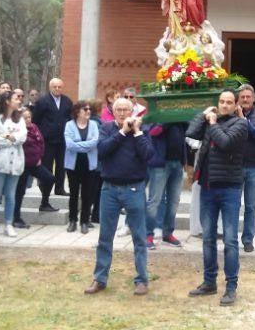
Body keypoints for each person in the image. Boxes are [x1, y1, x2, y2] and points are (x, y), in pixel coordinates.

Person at [184, 90, 248, 305]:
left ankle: (231, 287)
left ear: (235, 105)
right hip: (208, 187)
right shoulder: (212, 120)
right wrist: (203, 114)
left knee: (230, 240)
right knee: (208, 237)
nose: (224, 106)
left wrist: (212, 123)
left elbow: (225, 143)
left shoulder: (241, 124)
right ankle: (209, 282)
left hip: (229, 188)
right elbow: (191, 133)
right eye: (221, 102)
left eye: (229, 102)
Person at [85, 98, 154, 296]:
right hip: (110, 189)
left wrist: (137, 132)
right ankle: (100, 279)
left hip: (134, 188)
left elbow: (148, 154)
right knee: (105, 237)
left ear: (133, 111)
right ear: (113, 112)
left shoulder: (142, 130)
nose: (122, 113)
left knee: (139, 237)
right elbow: (102, 150)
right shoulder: (106, 128)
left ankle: (141, 280)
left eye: (126, 109)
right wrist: (123, 132)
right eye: (118, 110)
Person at [0, 91, 27, 238]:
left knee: (11, 195)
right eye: (16, 98)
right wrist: (11, 139)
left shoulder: (20, 120)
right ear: (7, 101)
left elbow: (22, 137)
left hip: (15, 162)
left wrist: (10, 137)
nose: (19, 101)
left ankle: (8, 224)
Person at [144, 121, 186, 248]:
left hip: (177, 163)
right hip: (160, 165)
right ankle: (148, 235)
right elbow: (152, 132)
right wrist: (167, 120)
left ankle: (168, 233)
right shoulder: (157, 113)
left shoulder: (181, 117)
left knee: (174, 201)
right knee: (154, 201)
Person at [236, 84, 255, 253]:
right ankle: (231, 238)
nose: (245, 99)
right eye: (242, 97)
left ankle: (248, 239)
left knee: (251, 206)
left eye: (248, 97)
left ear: (254, 98)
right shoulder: (230, 114)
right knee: (233, 205)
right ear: (238, 99)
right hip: (235, 166)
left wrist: (243, 120)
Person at [32, 78, 73, 207]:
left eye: (59, 87)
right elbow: (36, 120)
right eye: (55, 87)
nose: (57, 89)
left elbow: (70, 118)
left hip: (62, 139)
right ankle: (45, 190)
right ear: (50, 87)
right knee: (47, 164)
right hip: (47, 140)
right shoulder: (42, 101)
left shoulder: (67, 101)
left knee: (61, 165)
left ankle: (59, 188)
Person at [14, 108, 53, 229]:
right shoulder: (18, 130)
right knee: (20, 191)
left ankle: (44, 202)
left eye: (29, 117)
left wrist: (40, 157)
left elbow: (41, 143)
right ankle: (16, 217)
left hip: (35, 163)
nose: (27, 120)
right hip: (23, 164)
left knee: (49, 178)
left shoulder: (34, 127)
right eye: (24, 118)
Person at [64, 101, 98, 234]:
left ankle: (84, 221)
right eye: (85, 109)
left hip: (89, 165)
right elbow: (69, 145)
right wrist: (86, 146)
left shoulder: (94, 125)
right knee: (73, 194)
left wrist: (79, 145)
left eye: (90, 109)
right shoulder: (69, 125)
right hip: (73, 165)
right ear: (77, 111)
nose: (88, 111)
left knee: (87, 194)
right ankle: (73, 220)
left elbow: (95, 142)